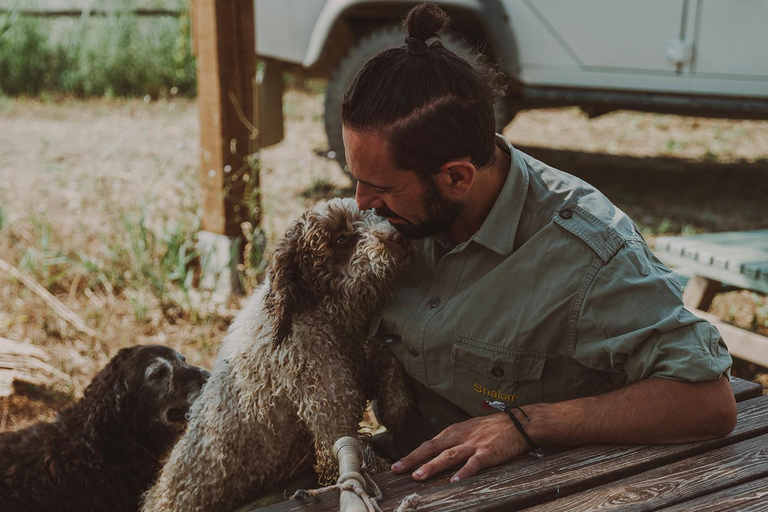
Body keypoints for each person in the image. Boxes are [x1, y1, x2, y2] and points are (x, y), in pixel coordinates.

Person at [341, 3, 737, 484]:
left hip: (533, 484)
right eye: (356, 180)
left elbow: (708, 401)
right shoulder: (404, 214)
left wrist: (528, 425)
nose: (362, 203)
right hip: (399, 464)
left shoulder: (589, 256)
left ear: (457, 177)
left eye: (381, 188)